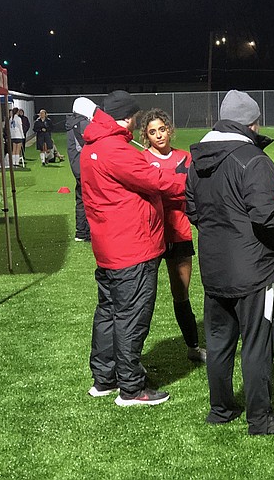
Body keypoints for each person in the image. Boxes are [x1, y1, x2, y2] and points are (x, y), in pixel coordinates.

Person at [186, 90, 274, 435]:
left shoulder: (198, 159)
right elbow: (267, 217)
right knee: (257, 343)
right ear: (252, 122)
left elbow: (193, 210)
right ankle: (260, 418)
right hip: (253, 269)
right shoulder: (253, 159)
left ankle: (220, 409)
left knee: (219, 342)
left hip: (215, 265)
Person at [77, 91, 187, 407]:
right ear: (127, 117)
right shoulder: (116, 149)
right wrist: (190, 183)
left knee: (109, 313)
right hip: (132, 247)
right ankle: (131, 387)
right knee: (131, 316)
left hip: (109, 246)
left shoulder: (92, 147)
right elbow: (157, 181)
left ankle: (105, 378)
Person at [139, 109, 206, 363]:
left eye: (162, 129)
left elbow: (192, 192)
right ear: (146, 136)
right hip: (151, 234)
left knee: (181, 294)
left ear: (169, 129)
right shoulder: (142, 159)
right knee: (144, 296)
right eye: (152, 132)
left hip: (179, 233)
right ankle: (135, 356)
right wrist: (173, 187)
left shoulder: (185, 158)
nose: (159, 135)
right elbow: (150, 191)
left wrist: (167, 188)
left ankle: (193, 347)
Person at [64, 110, 90, 242]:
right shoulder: (82, 124)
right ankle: (88, 232)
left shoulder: (71, 124)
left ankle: (81, 232)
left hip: (77, 166)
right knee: (90, 200)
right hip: (85, 168)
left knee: (80, 200)